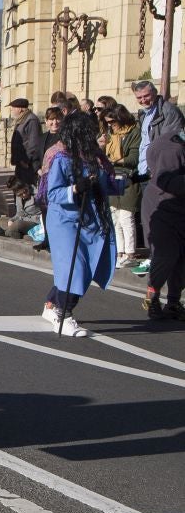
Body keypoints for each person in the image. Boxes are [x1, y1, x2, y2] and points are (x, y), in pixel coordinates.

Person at [41, 111, 121, 338]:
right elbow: (52, 193)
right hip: (65, 220)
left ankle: (51, 304)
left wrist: (129, 182)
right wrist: (75, 188)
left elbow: (104, 183)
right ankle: (63, 315)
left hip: (90, 219)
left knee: (84, 268)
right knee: (74, 267)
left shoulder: (94, 156)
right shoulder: (60, 156)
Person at [129, 80, 185, 278]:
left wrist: (159, 168)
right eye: (139, 97)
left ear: (154, 93)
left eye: (146, 96)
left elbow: (173, 142)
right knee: (150, 219)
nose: (143, 100)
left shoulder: (169, 112)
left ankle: (162, 260)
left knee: (161, 219)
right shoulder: (144, 113)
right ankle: (156, 256)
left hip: (160, 173)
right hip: (146, 171)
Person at [141, 122, 185, 320]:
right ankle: (152, 297)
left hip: (180, 208)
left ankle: (173, 302)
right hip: (161, 208)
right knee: (166, 254)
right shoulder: (172, 148)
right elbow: (165, 180)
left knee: (182, 258)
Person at [103, 104, 142, 267]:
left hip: (129, 179)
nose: (110, 125)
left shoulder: (134, 132)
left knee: (126, 217)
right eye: (108, 122)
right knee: (115, 218)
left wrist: (114, 161)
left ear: (121, 118)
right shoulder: (110, 134)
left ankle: (130, 253)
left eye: (112, 122)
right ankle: (119, 252)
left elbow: (134, 158)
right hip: (113, 178)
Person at [9, 98, 43, 187]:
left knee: (26, 188)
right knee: (19, 187)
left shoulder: (31, 120)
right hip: (20, 162)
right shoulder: (22, 119)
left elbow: (34, 142)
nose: (11, 110)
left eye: (13, 108)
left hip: (27, 164)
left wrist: (26, 161)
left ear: (20, 109)